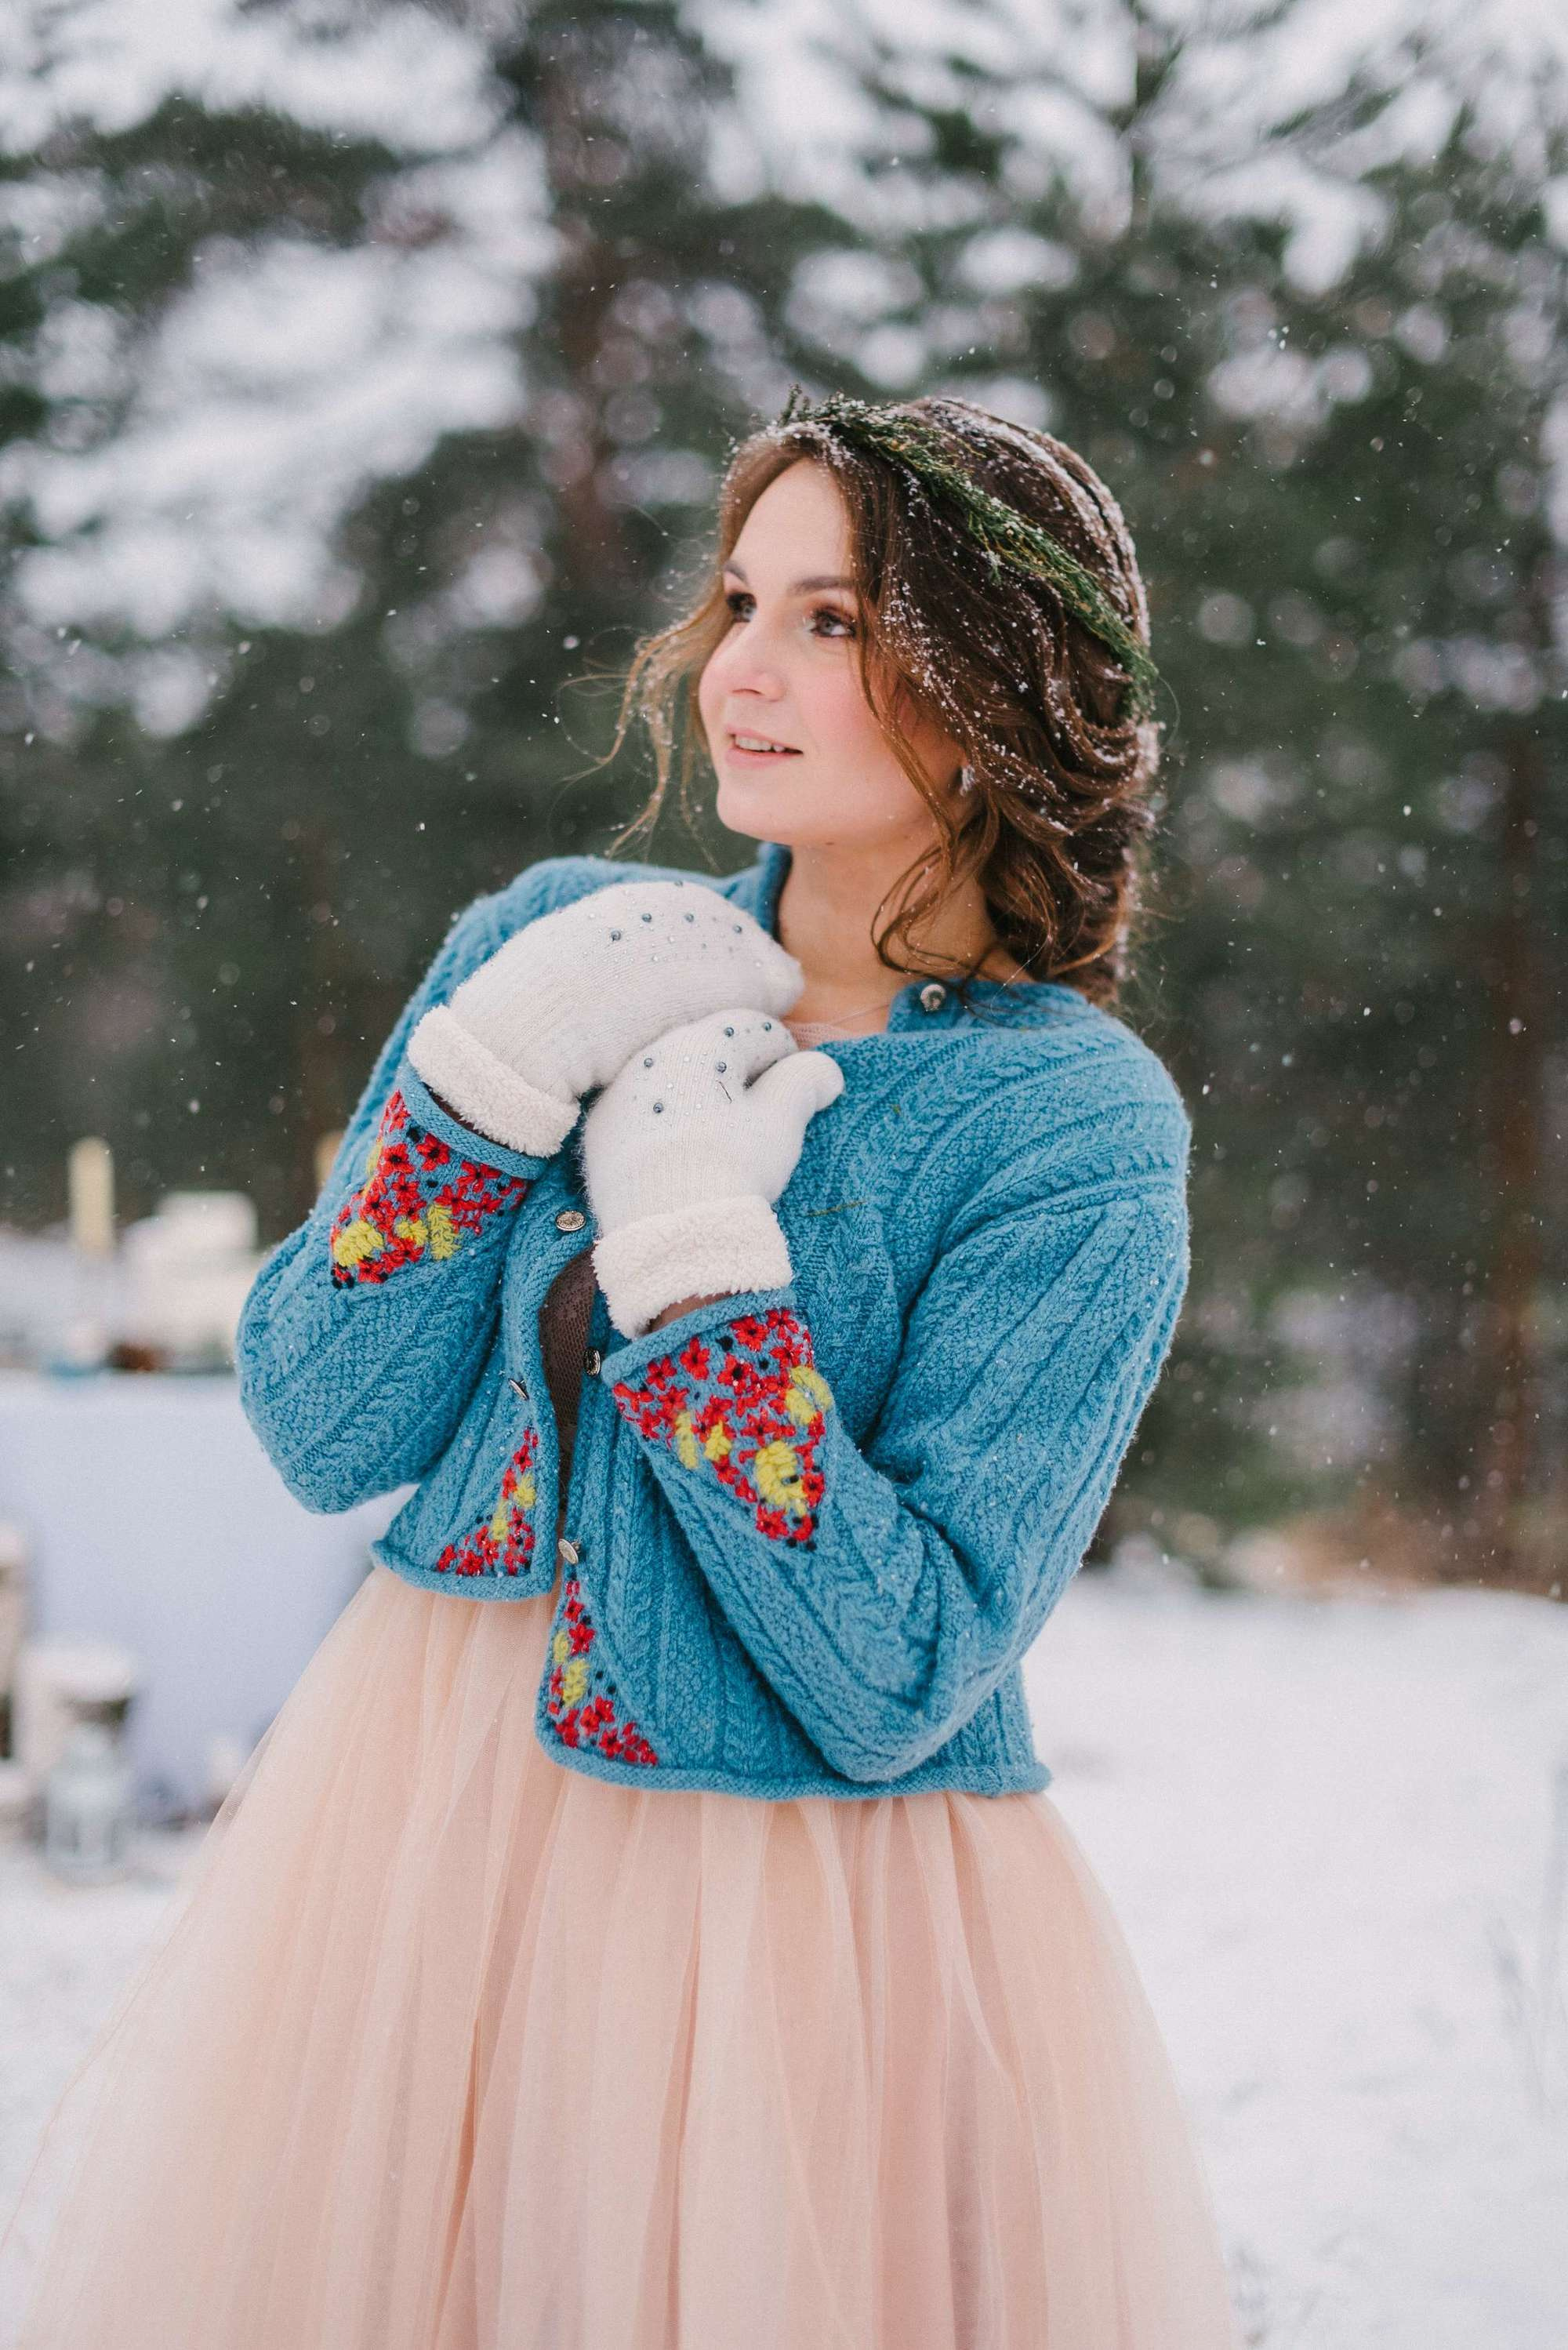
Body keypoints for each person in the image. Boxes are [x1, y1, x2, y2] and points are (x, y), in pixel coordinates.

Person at [0, 393, 1240, 2348]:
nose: (740, 668)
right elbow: (319, 1418)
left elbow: (901, 1672)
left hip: (800, 1935)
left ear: (998, 690)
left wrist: (693, 1271)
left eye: (833, 621)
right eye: (741, 602)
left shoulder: (1068, 1125)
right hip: (425, 1837)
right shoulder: (565, 944)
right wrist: (480, 1091)